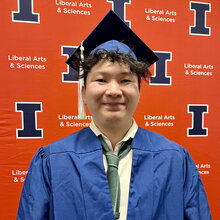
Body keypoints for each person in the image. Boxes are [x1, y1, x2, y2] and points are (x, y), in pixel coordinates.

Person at [17, 10, 211, 220]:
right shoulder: (52, 161)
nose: (113, 91)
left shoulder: (174, 159)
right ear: (83, 92)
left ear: (139, 91)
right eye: (101, 80)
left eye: (125, 80)